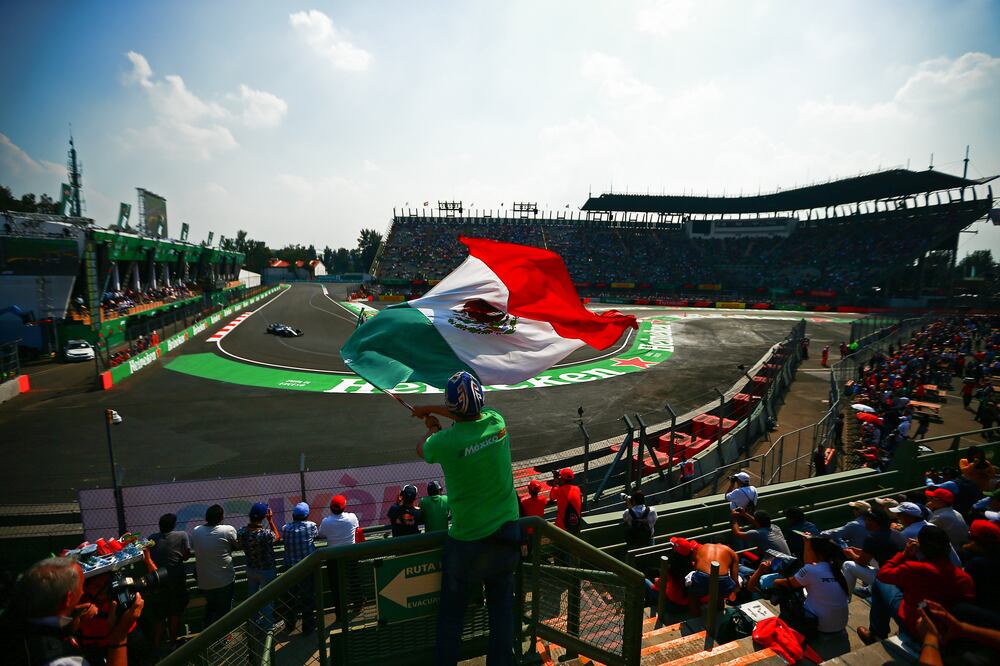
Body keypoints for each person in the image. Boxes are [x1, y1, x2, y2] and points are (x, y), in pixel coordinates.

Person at [412, 370, 520, 666]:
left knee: (451, 616)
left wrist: (431, 425)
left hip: (468, 542)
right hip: (507, 533)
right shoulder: (497, 422)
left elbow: (422, 449)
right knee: (502, 612)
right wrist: (433, 414)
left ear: (450, 406)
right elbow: (468, 414)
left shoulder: (444, 442)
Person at [3, 557, 144, 666]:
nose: (82, 592)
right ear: (68, 598)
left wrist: (70, 617)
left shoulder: (9, 624)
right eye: (81, 587)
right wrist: (119, 637)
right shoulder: (65, 660)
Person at [857, 525, 975, 645]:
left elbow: (883, 574)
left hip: (915, 625)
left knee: (880, 583)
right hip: (947, 630)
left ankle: (876, 634)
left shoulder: (915, 569)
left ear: (921, 547)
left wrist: (904, 553)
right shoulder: (964, 578)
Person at [748, 533, 850, 639]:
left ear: (816, 553)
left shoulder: (810, 570)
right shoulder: (836, 569)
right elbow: (808, 565)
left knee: (786, 590)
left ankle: (785, 623)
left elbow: (789, 583)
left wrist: (776, 581)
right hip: (839, 625)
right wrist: (807, 543)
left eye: (809, 550)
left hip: (821, 627)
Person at [147, 513, 191, 648]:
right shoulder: (182, 535)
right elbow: (186, 556)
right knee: (174, 613)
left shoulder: (152, 538)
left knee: (160, 616)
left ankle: (156, 646)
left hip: (158, 579)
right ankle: (172, 643)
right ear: (174, 525)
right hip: (176, 579)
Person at [190, 504, 238, 628]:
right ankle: (224, 635)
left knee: (211, 608)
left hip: (205, 581)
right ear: (221, 517)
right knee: (224, 611)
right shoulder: (227, 530)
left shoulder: (196, 530)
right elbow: (237, 545)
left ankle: (209, 633)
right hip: (225, 579)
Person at [237, 502, 281, 630]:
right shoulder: (265, 534)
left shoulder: (241, 532)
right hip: (266, 570)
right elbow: (277, 537)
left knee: (252, 598)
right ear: (264, 516)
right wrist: (270, 520)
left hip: (251, 568)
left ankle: (253, 625)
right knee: (267, 599)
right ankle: (267, 628)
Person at [318, 495, 360, 625]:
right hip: (350, 555)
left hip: (333, 557)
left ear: (331, 507)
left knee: (336, 587)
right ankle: (358, 604)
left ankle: (340, 614)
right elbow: (357, 528)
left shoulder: (326, 522)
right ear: (344, 507)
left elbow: (321, 535)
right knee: (354, 580)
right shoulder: (352, 517)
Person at [841, 510, 904, 597]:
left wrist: (851, 553)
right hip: (903, 575)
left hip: (891, 581)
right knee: (872, 560)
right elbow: (878, 552)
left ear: (875, 522)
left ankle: (844, 598)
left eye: (867, 520)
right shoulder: (895, 533)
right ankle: (868, 590)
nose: (865, 522)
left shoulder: (872, 537)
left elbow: (862, 562)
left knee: (848, 565)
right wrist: (860, 551)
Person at [280, 502, 319, 635]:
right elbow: (316, 535)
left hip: (290, 569)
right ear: (307, 515)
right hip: (306, 568)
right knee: (307, 597)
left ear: (293, 515)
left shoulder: (285, 528)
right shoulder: (311, 526)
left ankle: (290, 624)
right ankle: (308, 627)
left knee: (291, 598)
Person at [685, 541, 740, 616]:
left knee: (693, 596)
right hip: (722, 580)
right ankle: (720, 616)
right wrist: (734, 589)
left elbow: (696, 567)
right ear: (727, 545)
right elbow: (735, 580)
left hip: (702, 577)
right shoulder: (732, 552)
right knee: (720, 597)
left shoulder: (703, 547)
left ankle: (696, 617)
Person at [549, 468, 583, 535]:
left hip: (562, 527)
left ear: (562, 479)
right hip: (575, 525)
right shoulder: (577, 489)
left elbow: (552, 497)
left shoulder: (558, 490)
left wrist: (555, 483)